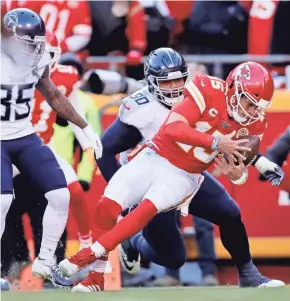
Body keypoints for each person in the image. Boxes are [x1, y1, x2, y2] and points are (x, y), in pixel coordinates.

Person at [58, 50, 284, 291]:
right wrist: (128, 199)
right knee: (172, 256)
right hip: (153, 171)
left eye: (179, 80)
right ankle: (132, 242)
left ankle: (249, 275)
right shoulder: (143, 107)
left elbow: (234, 144)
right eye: (167, 81)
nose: (175, 87)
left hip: (189, 174)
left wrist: (242, 173)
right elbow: (105, 149)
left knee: (229, 212)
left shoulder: (210, 96)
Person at [0, 8, 102, 287]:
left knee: (61, 194)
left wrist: (84, 127)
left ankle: (46, 262)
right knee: (3, 202)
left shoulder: (38, 58)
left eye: (37, 43)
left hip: (26, 135)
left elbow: (54, 94)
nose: (34, 49)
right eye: (28, 43)